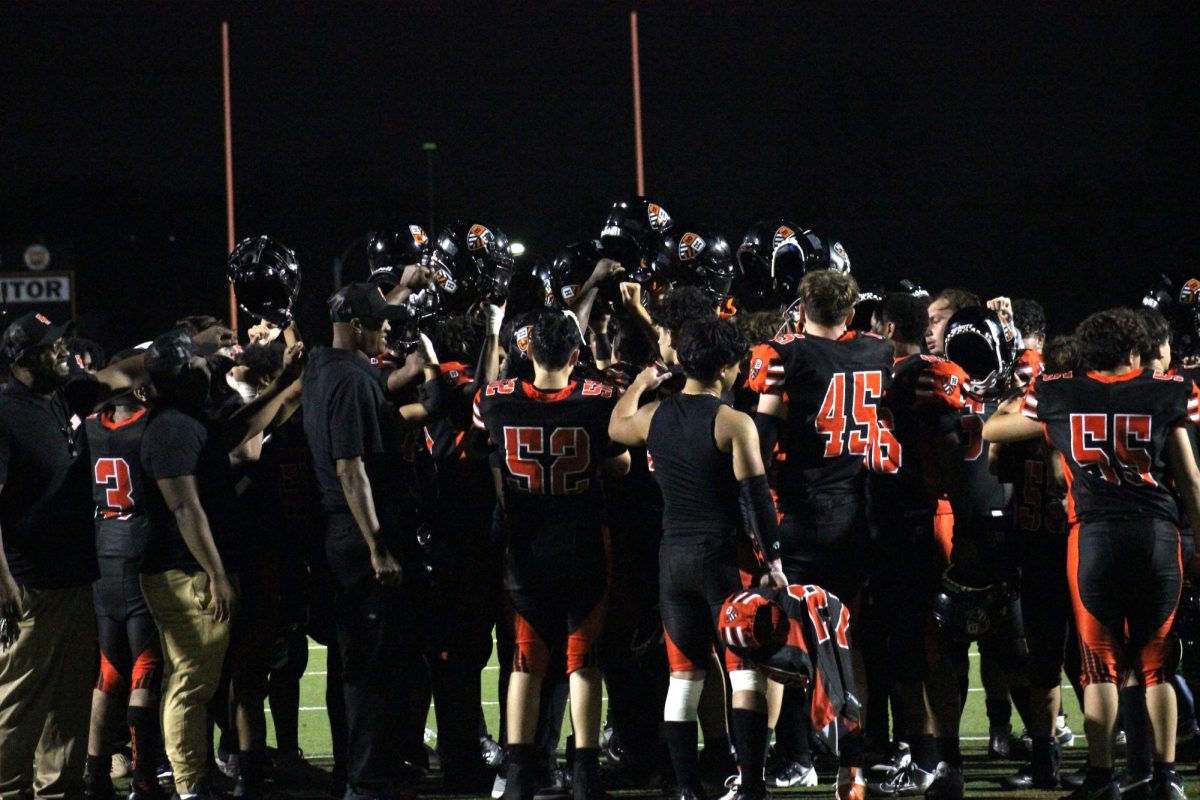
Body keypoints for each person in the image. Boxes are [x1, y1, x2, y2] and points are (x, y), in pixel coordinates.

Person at [983, 307, 1200, 800]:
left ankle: (1102, 777)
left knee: (1099, 663)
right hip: (1156, 534)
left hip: (1094, 539)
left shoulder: (1059, 394)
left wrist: (1040, 416)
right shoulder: (1167, 391)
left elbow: (994, 431)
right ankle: (1166, 778)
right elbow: (1189, 478)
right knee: (1157, 664)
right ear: (1131, 350)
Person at [609, 316, 786, 800]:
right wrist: (773, 563)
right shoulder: (733, 422)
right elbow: (757, 500)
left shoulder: (654, 416)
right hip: (721, 558)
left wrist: (642, 382)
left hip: (672, 559)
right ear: (728, 368)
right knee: (746, 672)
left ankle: (688, 789)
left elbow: (615, 425)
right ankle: (751, 785)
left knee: (684, 678)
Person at [138, 327, 302, 800]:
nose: (208, 367)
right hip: (184, 572)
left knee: (199, 681)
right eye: (196, 363)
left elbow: (243, 428)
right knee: (192, 683)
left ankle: (198, 778)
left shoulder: (188, 419)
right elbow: (185, 508)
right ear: (178, 373)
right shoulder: (170, 427)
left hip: (193, 570)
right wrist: (216, 573)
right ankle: (190, 786)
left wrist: (285, 384)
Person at [748, 269, 895, 789]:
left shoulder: (783, 353)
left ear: (803, 306)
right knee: (848, 639)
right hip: (858, 512)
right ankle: (854, 759)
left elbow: (761, 437)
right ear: (851, 312)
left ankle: (794, 755)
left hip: (803, 511)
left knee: (792, 638)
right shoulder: (879, 352)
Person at [474, 312, 630, 800]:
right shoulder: (598, 401)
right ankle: (584, 773)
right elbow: (621, 464)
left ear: (527, 351)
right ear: (576, 356)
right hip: (582, 543)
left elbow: (487, 448)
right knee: (582, 660)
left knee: (525, 660)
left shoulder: (495, 401)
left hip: (525, 548)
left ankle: (519, 771)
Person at [302, 283, 446, 800]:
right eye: (380, 322)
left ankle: (357, 773)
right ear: (357, 326)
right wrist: (378, 545)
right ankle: (366, 783)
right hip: (358, 536)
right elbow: (350, 469)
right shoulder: (349, 382)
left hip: (341, 535)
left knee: (354, 664)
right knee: (370, 668)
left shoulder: (324, 367)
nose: (387, 329)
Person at [0, 311, 149, 800]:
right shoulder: (6, 412)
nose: (63, 352)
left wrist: (180, 345)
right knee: (18, 705)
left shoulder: (59, 398)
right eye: (51, 347)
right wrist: (3, 584)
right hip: (29, 587)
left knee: (68, 706)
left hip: (74, 580)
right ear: (23, 361)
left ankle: (58, 791)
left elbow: (123, 373)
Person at [83, 349, 165, 800]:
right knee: (145, 670)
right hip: (137, 553)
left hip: (102, 553)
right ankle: (145, 777)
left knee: (109, 672)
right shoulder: (151, 428)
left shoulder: (91, 430)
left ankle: (95, 774)